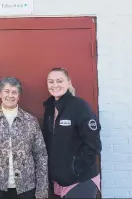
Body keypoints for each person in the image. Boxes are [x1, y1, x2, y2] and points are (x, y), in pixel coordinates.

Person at [0, 77, 49, 199]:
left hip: (26, 187)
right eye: (6, 91)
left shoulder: (30, 121)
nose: (10, 95)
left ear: (19, 96)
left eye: (14, 92)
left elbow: (41, 155)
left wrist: (42, 190)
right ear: (0, 94)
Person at [42, 68, 102, 199]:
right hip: (60, 181)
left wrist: (76, 169)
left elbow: (94, 144)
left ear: (69, 82)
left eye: (59, 81)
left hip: (81, 180)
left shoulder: (80, 107)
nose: (55, 85)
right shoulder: (49, 109)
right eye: (51, 82)